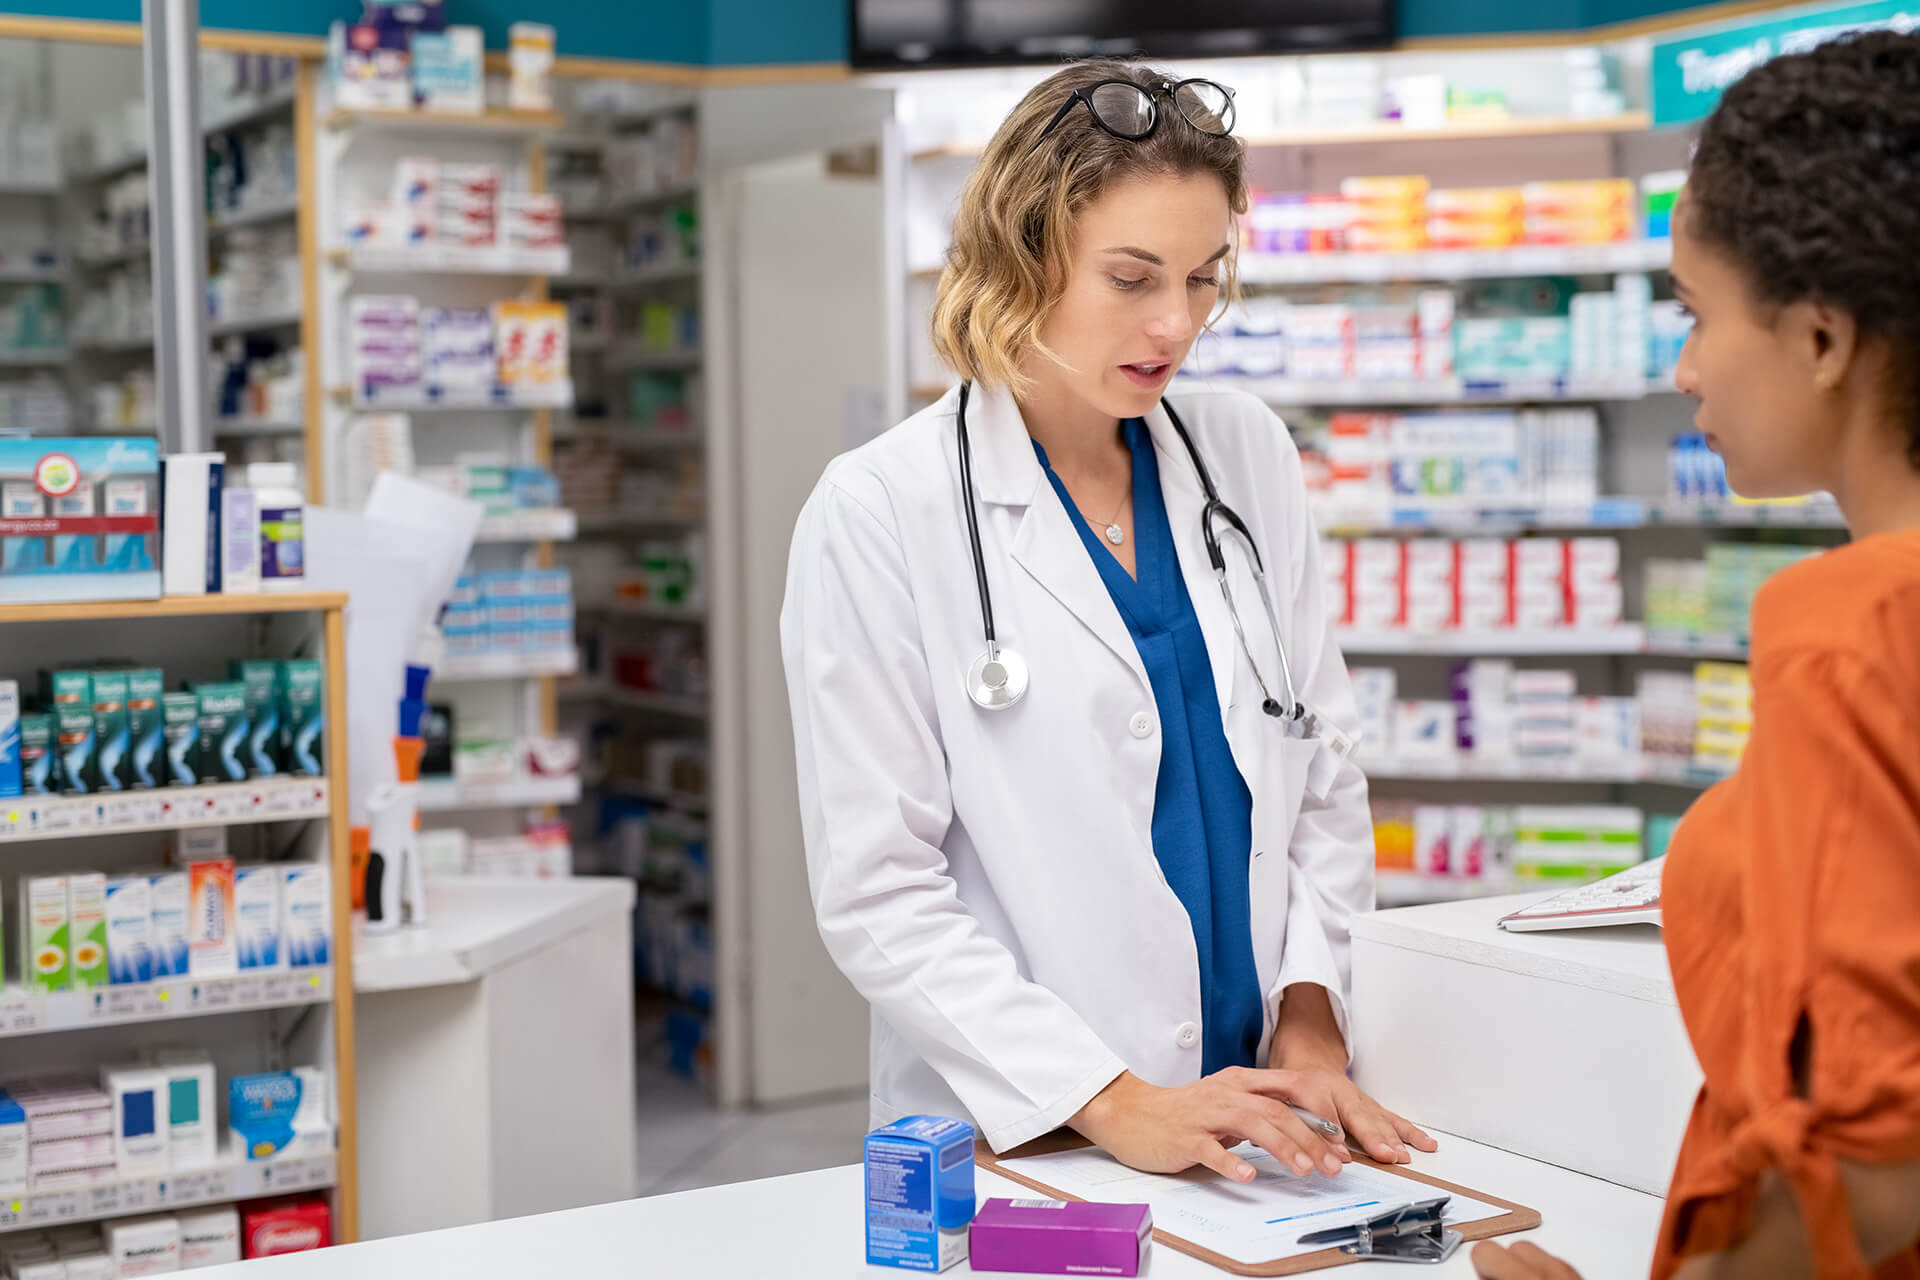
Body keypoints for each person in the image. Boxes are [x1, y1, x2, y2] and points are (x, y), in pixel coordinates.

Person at [780, 59, 1434, 1184]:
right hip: (1027, 1132)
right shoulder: (884, 507)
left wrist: (1314, 1016)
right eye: (1131, 277)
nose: (1174, 323)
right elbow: (877, 888)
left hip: (1265, 1116)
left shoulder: (1244, 452)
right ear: (1023, 254)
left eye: (1202, 277)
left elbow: (1320, 763)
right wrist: (1117, 1101)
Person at [1472, 30, 1920, 1280]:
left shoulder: (1857, 624)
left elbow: (1884, 1149)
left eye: (1696, 312)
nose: (1681, 368)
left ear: (1822, 339)